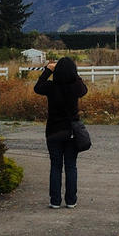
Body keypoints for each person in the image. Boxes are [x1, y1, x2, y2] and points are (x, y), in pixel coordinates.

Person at [34, 57, 88, 209]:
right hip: (72, 132)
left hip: (53, 131)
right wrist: (73, 74)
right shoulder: (76, 87)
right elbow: (84, 89)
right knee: (71, 166)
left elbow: (37, 88)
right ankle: (71, 200)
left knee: (55, 166)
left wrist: (48, 70)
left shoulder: (51, 87)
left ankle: (55, 201)